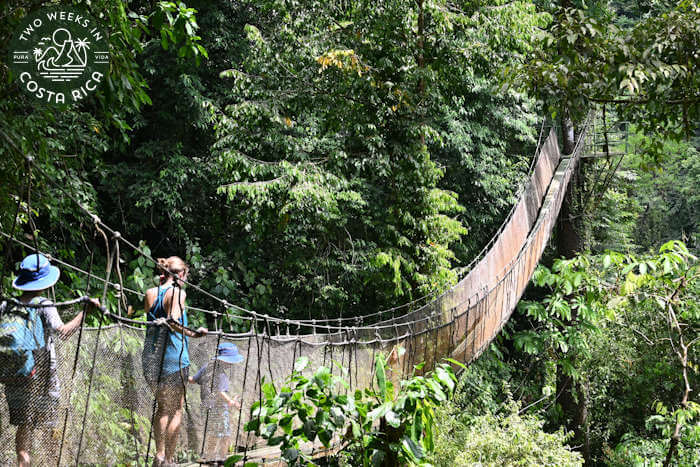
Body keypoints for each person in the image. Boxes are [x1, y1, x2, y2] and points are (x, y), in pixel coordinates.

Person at [2, 253, 100, 467]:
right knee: (49, 425)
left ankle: (22, 464)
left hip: (13, 376)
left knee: (24, 425)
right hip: (41, 376)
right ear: (44, 281)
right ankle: (51, 462)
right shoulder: (44, 303)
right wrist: (84, 312)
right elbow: (63, 332)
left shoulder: (7, 304)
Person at [141, 256, 207, 466]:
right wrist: (195, 334)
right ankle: (169, 460)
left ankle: (159, 456)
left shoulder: (150, 293)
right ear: (180, 275)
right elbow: (173, 321)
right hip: (173, 359)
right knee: (175, 410)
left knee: (162, 408)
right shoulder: (178, 292)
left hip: (151, 358)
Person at [189, 342, 244, 459]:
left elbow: (193, 380)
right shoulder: (220, 373)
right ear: (224, 360)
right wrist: (231, 402)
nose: (231, 364)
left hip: (206, 406)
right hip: (218, 408)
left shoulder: (207, 366)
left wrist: (182, 377)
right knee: (225, 434)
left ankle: (209, 457)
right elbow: (220, 391)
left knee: (213, 433)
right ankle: (223, 458)